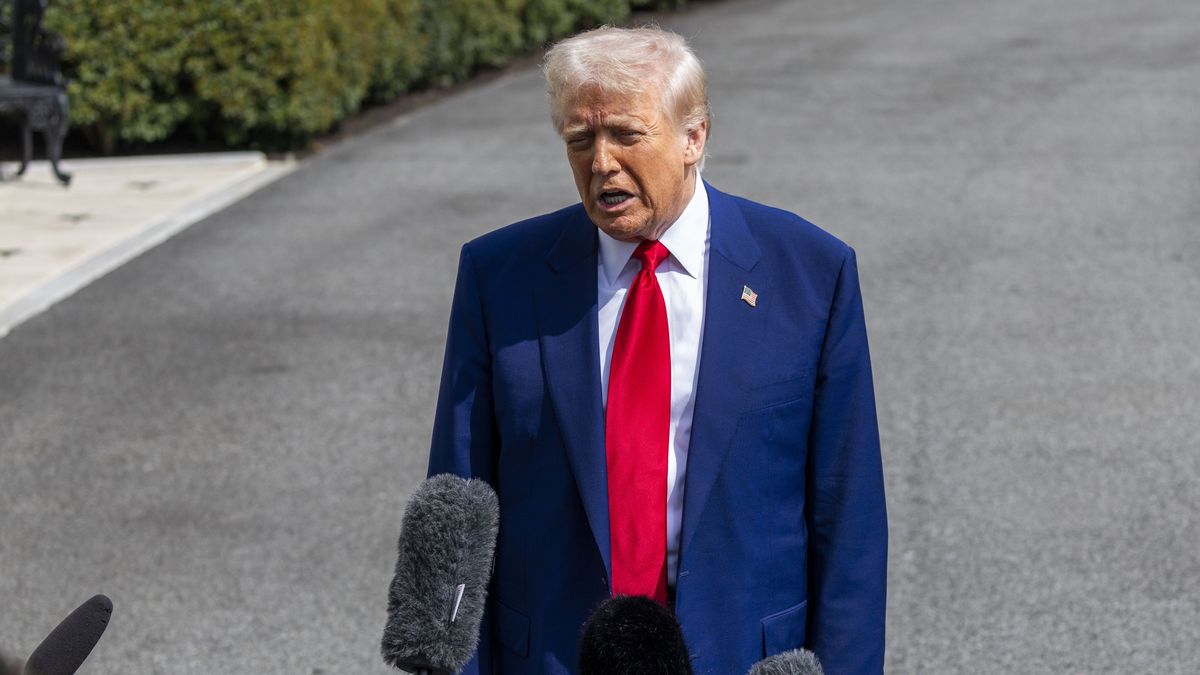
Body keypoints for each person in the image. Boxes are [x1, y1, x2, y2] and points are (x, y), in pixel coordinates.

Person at [427, 25, 887, 675]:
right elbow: (458, 510)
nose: (601, 162)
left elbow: (850, 520)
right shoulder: (500, 276)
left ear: (694, 136)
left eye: (625, 134)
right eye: (580, 141)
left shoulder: (810, 274)